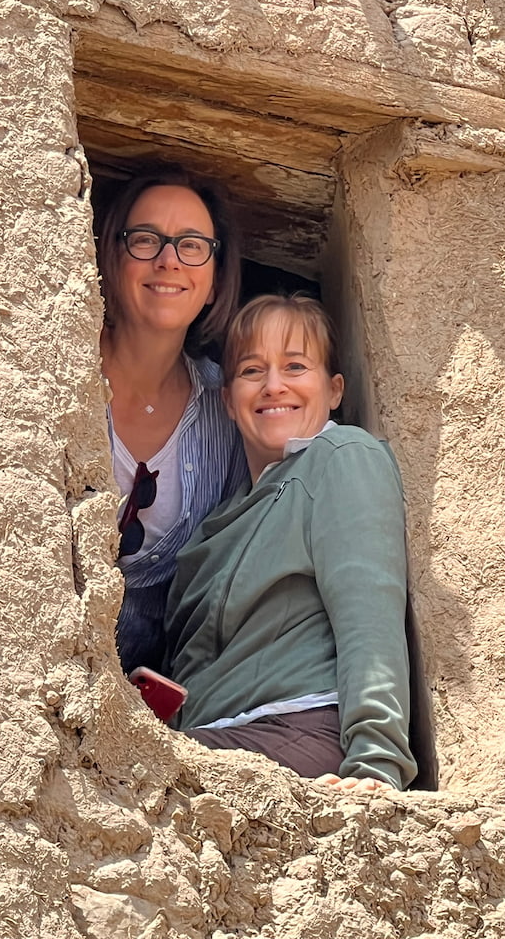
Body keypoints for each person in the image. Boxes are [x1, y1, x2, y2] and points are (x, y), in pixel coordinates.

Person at [162, 294, 418, 793]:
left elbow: (370, 615)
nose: (274, 385)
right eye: (252, 370)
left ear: (334, 389)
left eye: (296, 366)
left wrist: (376, 763)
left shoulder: (341, 457)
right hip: (216, 737)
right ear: (228, 400)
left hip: (301, 729)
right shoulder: (216, 523)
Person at [97, 167, 248, 675]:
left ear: (212, 281)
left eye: (192, 245)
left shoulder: (226, 409)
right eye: (145, 240)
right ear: (111, 258)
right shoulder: (58, 374)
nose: (168, 260)